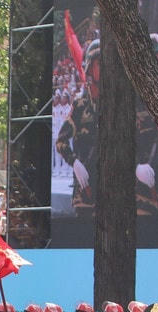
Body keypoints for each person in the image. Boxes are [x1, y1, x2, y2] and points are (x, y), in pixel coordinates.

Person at [56, 39, 100, 218]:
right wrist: (75, 162)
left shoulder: (115, 105)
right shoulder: (80, 105)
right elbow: (61, 141)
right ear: (90, 68)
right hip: (86, 188)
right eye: (98, 64)